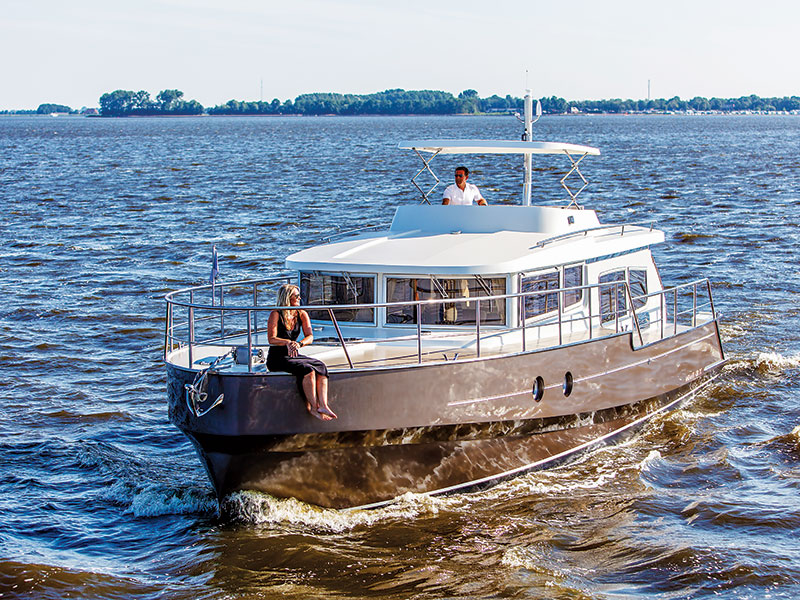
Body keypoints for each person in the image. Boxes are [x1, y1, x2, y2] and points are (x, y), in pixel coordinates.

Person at [267, 283, 337, 420]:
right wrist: (287, 342)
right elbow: (271, 339)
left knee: (321, 366)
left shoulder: (302, 314)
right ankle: (313, 406)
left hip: (294, 354)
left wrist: (299, 344)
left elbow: (310, 336)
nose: (300, 298)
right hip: (277, 357)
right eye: (297, 296)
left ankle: (323, 404)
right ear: (288, 298)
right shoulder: (276, 314)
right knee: (307, 370)